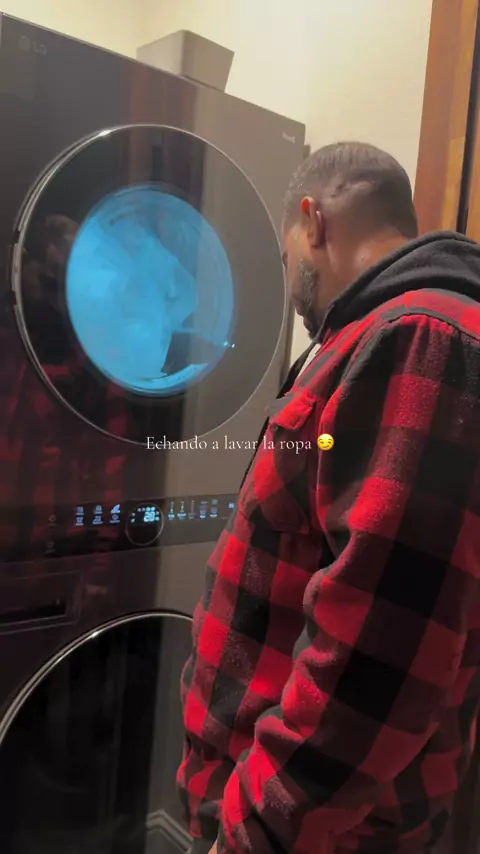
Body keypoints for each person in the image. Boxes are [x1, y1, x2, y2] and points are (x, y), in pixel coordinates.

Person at [176, 141, 480, 854]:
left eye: (288, 259)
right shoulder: (376, 338)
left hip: (310, 837)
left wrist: (253, 830)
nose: (293, 286)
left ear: (313, 221)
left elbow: (377, 660)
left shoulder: (418, 340)